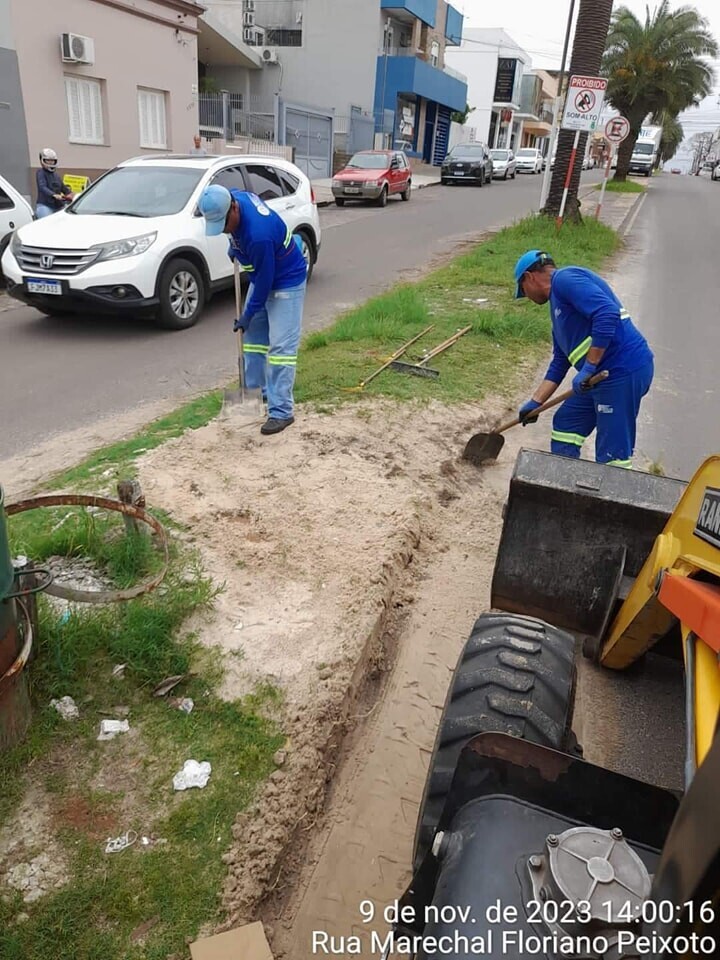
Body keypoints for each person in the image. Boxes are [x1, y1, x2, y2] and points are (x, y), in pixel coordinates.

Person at [514, 249, 654, 469]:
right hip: (596, 379)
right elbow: (559, 363)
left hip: (621, 371)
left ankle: (615, 489)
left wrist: (589, 366)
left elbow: (606, 313)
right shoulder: (558, 312)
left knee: (612, 453)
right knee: (566, 424)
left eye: (523, 291)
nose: (527, 298)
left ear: (529, 277)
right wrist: (536, 402)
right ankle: (565, 482)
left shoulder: (565, 279)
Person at [198, 184, 307, 435]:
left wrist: (248, 314)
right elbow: (236, 232)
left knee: (281, 349)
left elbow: (265, 282)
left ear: (234, 209)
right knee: (252, 342)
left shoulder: (258, 235)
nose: (223, 230)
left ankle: (281, 411)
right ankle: (257, 394)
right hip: (263, 274)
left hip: (286, 280)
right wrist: (234, 245)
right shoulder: (233, 197)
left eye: (224, 225)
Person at [35, 148, 72, 218]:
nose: (51, 162)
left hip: (59, 206)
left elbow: (63, 188)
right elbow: (42, 187)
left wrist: (71, 195)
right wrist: (53, 195)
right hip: (45, 205)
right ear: (42, 161)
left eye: (52, 160)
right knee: (46, 221)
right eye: (48, 160)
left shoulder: (56, 175)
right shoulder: (40, 173)